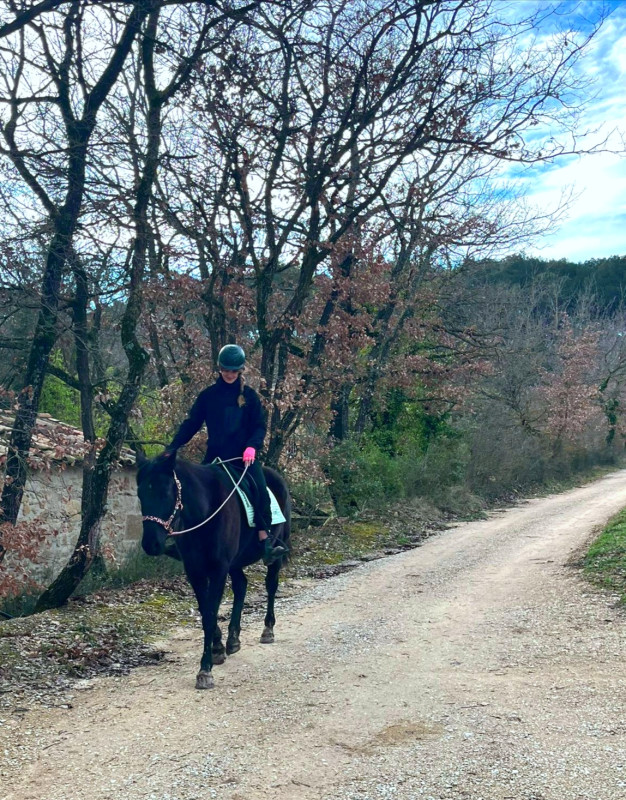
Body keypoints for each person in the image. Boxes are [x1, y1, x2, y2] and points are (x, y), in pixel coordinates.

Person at [162, 344, 286, 564]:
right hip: (215, 458)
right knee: (190, 490)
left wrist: (252, 447)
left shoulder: (249, 397)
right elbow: (191, 424)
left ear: (240, 370)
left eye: (234, 370)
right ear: (219, 369)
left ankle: (265, 539)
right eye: (225, 370)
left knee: (260, 491)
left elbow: (259, 426)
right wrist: (173, 447)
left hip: (243, 459)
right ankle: (182, 540)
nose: (229, 374)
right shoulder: (208, 396)